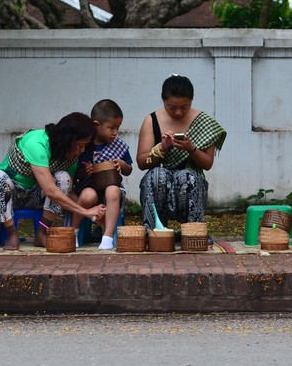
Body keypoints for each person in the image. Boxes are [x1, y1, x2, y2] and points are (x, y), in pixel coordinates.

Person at [0, 113, 106, 251]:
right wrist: (85, 211)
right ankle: (12, 233)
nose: (82, 150)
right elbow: (51, 190)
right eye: (80, 145)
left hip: (38, 197)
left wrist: (93, 213)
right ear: (69, 139)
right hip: (12, 195)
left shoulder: (71, 157)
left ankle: (42, 232)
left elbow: (65, 193)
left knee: (63, 178)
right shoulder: (37, 143)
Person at [136, 75, 226, 227]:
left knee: (186, 176)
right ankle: (154, 231)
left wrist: (191, 149)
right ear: (163, 100)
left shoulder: (204, 122)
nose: (178, 112)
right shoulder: (152, 120)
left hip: (190, 183)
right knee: (158, 175)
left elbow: (207, 164)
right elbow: (142, 162)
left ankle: (193, 233)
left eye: (184, 107)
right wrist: (161, 148)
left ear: (191, 100)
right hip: (159, 183)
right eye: (172, 107)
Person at [76, 100, 133, 251]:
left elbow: (129, 169)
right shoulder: (85, 144)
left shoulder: (119, 145)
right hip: (89, 188)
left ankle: (107, 237)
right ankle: (73, 232)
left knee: (112, 190)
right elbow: (75, 173)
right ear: (96, 125)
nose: (115, 132)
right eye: (111, 128)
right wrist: (83, 171)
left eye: (118, 128)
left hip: (112, 190)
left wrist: (122, 164)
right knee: (88, 195)